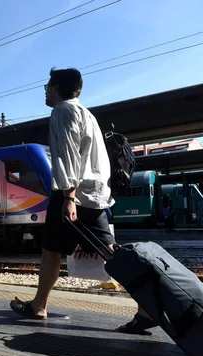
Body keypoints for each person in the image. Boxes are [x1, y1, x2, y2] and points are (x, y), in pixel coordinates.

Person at [10, 67, 158, 334]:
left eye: (47, 85)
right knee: (112, 254)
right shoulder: (87, 114)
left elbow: (68, 156)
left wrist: (68, 196)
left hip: (72, 195)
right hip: (96, 196)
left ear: (56, 87)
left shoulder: (62, 111)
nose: (45, 90)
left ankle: (39, 306)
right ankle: (146, 306)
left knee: (51, 251)